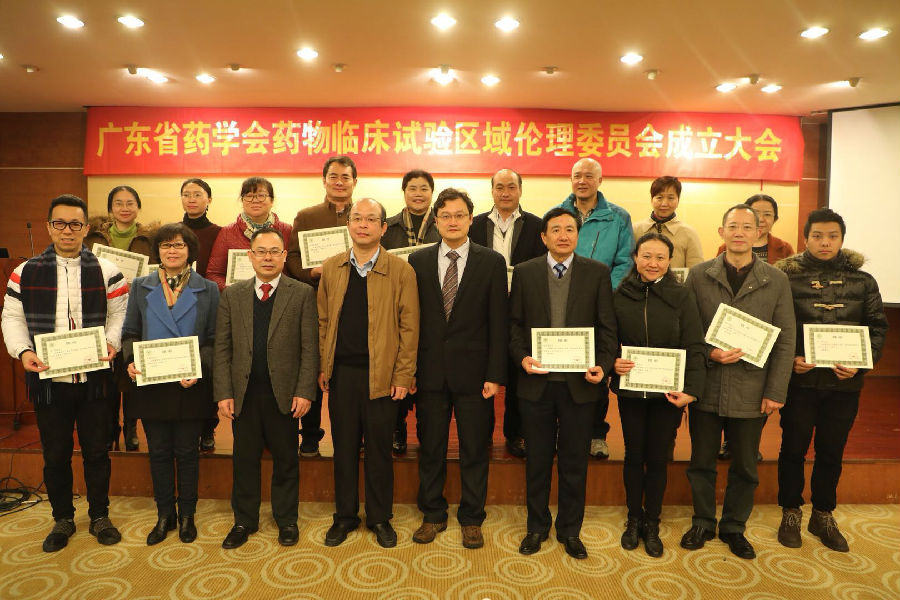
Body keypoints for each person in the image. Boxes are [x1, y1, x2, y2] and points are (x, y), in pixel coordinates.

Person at [2, 194, 128, 552]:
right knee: (55, 454)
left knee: (97, 452)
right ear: (49, 227)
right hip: (50, 381)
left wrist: (112, 343)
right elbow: (12, 317)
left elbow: (120, 312)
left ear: (86, 228)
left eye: (75, 224)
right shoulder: (25, 272)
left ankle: (100, 515)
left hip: (95, 380)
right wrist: (24, 351)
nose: (67, 230)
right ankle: (63, 518)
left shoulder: (107, 270)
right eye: (60, 223)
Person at [681, 204, 795, 560]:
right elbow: (687, 330)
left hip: (752, 388)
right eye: (733, 226)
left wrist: (776, 391)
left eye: (748, 226)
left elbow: (786, 338)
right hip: (707, 385)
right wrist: (709, 353)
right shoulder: (699, 275)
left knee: (745, 465)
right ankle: (703, 521)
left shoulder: (776, 279)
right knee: (701, 460)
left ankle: (733, 526)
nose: (740, 232)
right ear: (722, 232)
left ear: (759, 232)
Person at [774, 208, 888, 553]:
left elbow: (877, 328)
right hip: (800, 384)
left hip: (843, 386)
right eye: (818, 236)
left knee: (831, 451)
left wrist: (861, 365)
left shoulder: (864, 281)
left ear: (841, 239)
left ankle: (822, 514)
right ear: (805, 238)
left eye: (832, 236)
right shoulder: (786, 279)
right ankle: (790, 511)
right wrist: (790, 361)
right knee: (793, 449)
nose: (825, 242)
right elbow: (776, 326)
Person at [509, 207, 617, 560]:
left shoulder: (597, 273)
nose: (563, 235)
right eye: (555, 229)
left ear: (577, 235)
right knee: (537, 460)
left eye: (570, 229)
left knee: (574, 463)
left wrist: (603, 366)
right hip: (536, 384)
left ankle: (570, 530)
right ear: (544, 237)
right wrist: (522, 357)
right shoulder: (525, 272)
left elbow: (607, 327)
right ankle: (536, 527)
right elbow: (513, 325)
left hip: (580, 386)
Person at [408, 188, 508, 550]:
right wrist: (409, 371)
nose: (453, 221)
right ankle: (433, 513)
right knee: (431, 447)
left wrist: (495, 375)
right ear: (436, 220)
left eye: (460, 215)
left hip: (475, 375)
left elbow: (499, 322)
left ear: (471, 219)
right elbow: (409, 321)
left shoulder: (491, 262)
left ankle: (472, 517)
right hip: (429, 371)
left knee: (475, 448)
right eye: (446, 215)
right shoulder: (417, 261)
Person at [317, 198, 419, 548]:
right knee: (343, 449)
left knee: (378, 451)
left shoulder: (401, 271)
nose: (363, 224)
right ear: (348, 225)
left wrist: (403, 375)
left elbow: (410, 329)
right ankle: (344, 516)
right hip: (343, 374)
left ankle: (379, 517)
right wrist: (324, 366)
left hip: (383, 377)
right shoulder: (332, 267)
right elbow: (323, 321)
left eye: (371, 219)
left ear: (383, 227)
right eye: (356, 218)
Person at [213, 227, 318, 549]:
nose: (268, 258)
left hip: (283, 394)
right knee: (244, 460)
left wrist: (304, 391)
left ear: (284, 256)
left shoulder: (302, 293)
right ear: (250, 256)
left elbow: (310, 348)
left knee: (286, 459)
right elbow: (222, 347)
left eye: (274, 251)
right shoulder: (233, 294)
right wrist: (224, 392)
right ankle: (244, 520)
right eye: (261, 251)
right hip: (244, 393)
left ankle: (287, 520)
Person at [122, 223, 219, 545]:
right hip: (152, 383)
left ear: (190, 250)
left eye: (178, 245)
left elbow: (214, 339)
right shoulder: (141, 286)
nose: (172, 251)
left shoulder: (209, 289)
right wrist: (130, 360)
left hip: (190, 383)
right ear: (157, 251)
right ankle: (165, 514)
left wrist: (199, 367)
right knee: (159, 452)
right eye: (165, 246)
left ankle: (187, 514)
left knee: (188, 452)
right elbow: (130, 333)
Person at [611, 232, 706, 558]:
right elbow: (608, 338)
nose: (653, 263)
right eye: (647, 256)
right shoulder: (620, 294)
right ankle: (633, 518)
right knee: (633, 455)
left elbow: (695, 344)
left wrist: (691, 390)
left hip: (668, 394)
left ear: (670, 261)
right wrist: (612, 362)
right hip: (631, 391)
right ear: (635, 258)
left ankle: (652, 521)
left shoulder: (682, 296)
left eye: (660, 258)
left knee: (657, 458)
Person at [557, 157, 635, 460]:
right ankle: (563, 430)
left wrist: (599, 293)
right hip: (562, 303)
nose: (582, 181)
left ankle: (596, 434)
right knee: (564, 368)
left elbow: (625, 262)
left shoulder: (618, 217)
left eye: (589, 176)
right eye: (577, 175)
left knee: (598, 368)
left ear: (600, 181)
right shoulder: (559, 213)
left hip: (602, 304)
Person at [470, 168, 546, 458]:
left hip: (522, 310)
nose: (505, 192)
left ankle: (516, 434)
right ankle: (482, 431)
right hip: (482, 310)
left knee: (518, 373)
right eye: (499, 187)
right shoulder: (475, 225)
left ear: (520, 190)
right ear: (492, 191)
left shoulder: (537, 225)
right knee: (482, 370)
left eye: (511, 187)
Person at [285, 155, 356, 458]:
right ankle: (310, 434)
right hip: (315, 301)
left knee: (348, 369)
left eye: (345, 177)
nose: (339, 182)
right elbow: (292, 257)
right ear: (324, 180)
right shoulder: (306, 216)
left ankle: (353, 435)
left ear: (354, 181)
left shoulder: (364, 215)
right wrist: (312, 272)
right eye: (333, 177)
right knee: (312, 366)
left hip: (354, 303)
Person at [84, 185, 157, 452]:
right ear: (110, 208)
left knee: (132, 370)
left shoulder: (150, 238)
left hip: (139, 310)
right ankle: (111, 426)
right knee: (108, 374)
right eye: (118, 203)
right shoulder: (94, 238)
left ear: (138, 207)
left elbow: (158, 272)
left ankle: (131, 427)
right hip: (103, 311)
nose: (124, 208)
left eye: (130, 203)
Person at [380, 169, 440, 455]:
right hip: (396, 309)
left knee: (427, 369)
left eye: (424, 188)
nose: (418, 193)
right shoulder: (388, 227)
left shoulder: (442, 225)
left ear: (432, 192)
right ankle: (397, 425)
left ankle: (427, 429)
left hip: (433, 307)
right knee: (398, 364)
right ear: (404, 192)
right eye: (412, 188)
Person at [179, 178, 222, 452]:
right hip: (175, 303)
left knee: (207, 364)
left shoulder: (219, 232)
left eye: (198, 194)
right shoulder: (173, 232)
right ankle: (186, 425)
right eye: (186, 194)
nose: (192, 199)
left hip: (207, 302)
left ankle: (208, 427)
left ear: (209, 199)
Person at [205, 177, 293, 291]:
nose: (255, 200)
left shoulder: (287, 231)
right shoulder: (227, 233)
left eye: (261, 195)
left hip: (280, 296)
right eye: (249, 196)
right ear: (242, 201)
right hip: (239, 298)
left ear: (271, 201)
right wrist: (233, 292)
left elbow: (293, 271)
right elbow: (213, 274)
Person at [632, 176, 704, 268]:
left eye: (670, 198)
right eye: (659, 197)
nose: (664, 204)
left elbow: (696, 270)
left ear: (678, 200)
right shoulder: (635, 230)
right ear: (651, 199)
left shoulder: (689, 233)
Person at [716, 193, 794, 264]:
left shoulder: (784, 248)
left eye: (767, 214)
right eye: (756, 213)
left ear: (775, 219)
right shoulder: (726, 247)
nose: (761, 219)